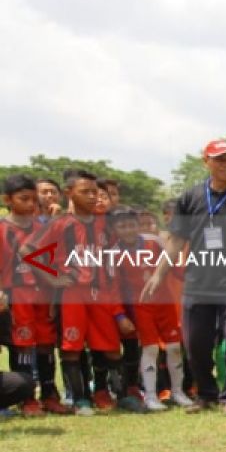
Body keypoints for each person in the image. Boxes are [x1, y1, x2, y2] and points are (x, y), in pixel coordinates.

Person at [142, 140, 226, 415]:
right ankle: (206, 394)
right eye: (219, 159)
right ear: (206, 162)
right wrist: (158, 274)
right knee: (195, 342)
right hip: (199, 281)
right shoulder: (190, 198)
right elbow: (176, 241)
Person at [43, 170, 139, 414]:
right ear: (69, 193)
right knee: (72, 347)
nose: (91, 196)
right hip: (73, 294)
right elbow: (28, 250)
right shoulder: (60, 224)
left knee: (109, 347)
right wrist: (52, 278)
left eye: (94, 192)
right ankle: (79, 398)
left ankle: (113, 393)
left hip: (103, 293)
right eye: (85, 192)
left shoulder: (104, 225)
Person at [1, 174, 68, 415]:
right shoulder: (2, 229)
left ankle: (50, 394)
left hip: (44, 294)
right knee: (22, 344)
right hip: (16, 295)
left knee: (46, 343)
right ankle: (27, 398)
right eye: (23, 199)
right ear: (7, 199)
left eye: (33, 199)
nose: (30, 204)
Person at [110, 206, 184, 412]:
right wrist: (119, 314)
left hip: (165, 303)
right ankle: (151, 395)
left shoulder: (154, 243)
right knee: (150, 348)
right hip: (141, 307)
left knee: (174, 346)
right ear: (114, 229)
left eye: (132, 225)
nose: (128, 230)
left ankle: (178, 391)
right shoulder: (114, 253)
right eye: (122, 226)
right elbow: (113, 288)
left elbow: (174, 266)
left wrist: (191, 276)